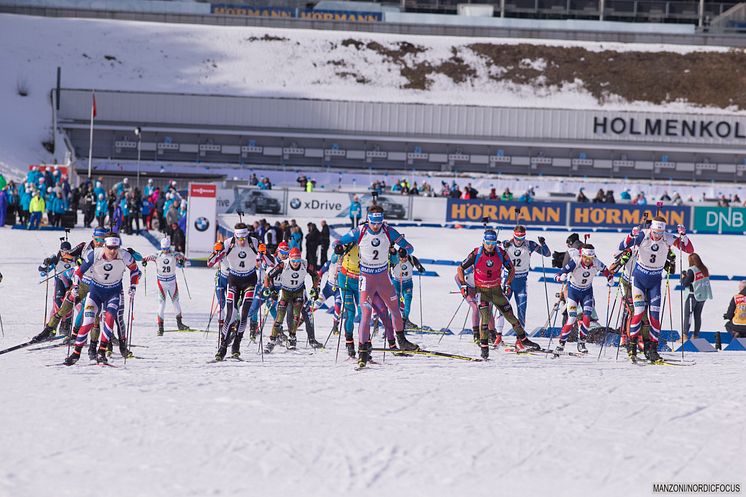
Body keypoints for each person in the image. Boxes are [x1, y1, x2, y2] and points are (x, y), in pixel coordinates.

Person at [336, 205, 419, 368]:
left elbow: (410, 247)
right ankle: (362, 351)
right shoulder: (359, 231)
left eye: (379, 222)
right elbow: (338, 241)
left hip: (383, 278)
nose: (376, 226)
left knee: (395, 309)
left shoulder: (389, 231)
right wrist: (338, 247)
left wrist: (404, 251)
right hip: (366, 279)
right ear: (368, 220)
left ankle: (401, 340)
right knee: (365, 315)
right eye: (373, 223)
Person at [618, 216, 693, 363]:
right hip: (639, 279)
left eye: (660, 233)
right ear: (651, 229)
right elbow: (622, 246)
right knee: (638, 312)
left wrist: (683, 236)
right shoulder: (643, 235)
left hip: (654, 281)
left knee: (654, 317)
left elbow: (689, 249)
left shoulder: (667, 238)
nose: (657, 236)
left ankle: (651, 349)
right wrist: (631, 236)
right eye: (655, 232)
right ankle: (631, 345)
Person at [457, 229, 540, 359]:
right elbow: (460, 268)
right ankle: (484, 347)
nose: (490, 245)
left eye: (493, 242)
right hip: (482, 291)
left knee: (510, 315)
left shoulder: (501, 253)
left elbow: (511, 269)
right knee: (485, 318)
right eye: (488, 242)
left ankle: (523, 339)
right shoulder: (476, 253)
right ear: (484, 241)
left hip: (496, 290)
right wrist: (463, 285)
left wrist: (507, 283)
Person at [64, 233, 140, 365]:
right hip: (95, 293)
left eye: (115, 247)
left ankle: (102, 352)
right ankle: (76, 354)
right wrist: (75, 286)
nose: (112, 251)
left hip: (113, 293)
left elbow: (135, 271)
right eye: (110, 247)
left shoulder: (124, 255)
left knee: (110, 319)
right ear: (105, 245)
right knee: (88, 322)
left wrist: (133, 285)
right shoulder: (95, 254)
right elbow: (79, 271)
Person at [207, 223, 261, 361]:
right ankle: (222, 348)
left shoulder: (254, 242)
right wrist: (217, 251)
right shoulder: (227, 243)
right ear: (235, 236)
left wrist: (265, 252)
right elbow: (210, 263)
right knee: (231, 315)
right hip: (234, 281)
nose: (242, 241)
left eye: (244, 238)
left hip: (250, 280)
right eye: (239, 238)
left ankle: (236, 345)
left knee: (244, 314)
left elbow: (270, 262)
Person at [553, 244, 613, 354]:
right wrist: (560, 277)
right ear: (582, 255)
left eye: (590, 258)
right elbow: (559, 273)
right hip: (573, 292)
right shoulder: (576, 261)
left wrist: (609, 278)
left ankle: (581, 342)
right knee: (571, 318)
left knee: (587, 317)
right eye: (585, 257)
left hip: (587, 292)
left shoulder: (596, 262)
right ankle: (561, 344)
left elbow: (606, 270)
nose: (587, 260)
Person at [496, 226, 551, 344]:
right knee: (502, 309)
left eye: (522, 238)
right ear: (513, 235)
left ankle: (519, 340)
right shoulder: (506, 244)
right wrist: (498, 245)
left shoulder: (530, 244)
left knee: (522, 311)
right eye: (517, 238)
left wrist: (543, 244)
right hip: (508, 281)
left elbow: (547, 254)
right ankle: (498, 336)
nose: (519, 241)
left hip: (521, 282)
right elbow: (493, 251)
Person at [263, 247, 321, 352]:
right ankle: (272, 340)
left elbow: (316, 276)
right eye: (293, 260)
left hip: (298, 291)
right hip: (285, 292)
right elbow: (268, 276)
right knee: (279, 317)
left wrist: (315, 289)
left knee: (296, 316)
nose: (295, 263)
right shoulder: (283, 265)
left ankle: (292, 338)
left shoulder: (304, 264)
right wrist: (270, 289)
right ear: (290, 259)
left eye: (297, 260)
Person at [142, 238, 189, 335]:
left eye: (167, 248)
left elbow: (184, 258)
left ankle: (180, 324)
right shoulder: (157, 255)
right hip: (162, 283)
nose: (166, 251)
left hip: (172, 282)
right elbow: (145, 258)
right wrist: (144, 261)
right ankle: (160, 327)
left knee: (176, 302)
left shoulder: (174, 254)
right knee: (161, 304)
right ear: (161, 247)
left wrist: (182, 261)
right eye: (164, 248)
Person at [390, 248, 425, 329]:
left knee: (407, 306)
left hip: (408, 284)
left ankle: (404, 322)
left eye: (404, 257)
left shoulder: (411, 259)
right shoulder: (395, 259)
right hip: (396, 284)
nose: (403, 259)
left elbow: (420, 267)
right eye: (401, 258)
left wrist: (420, 269)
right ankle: (392, 325)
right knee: (395, 305)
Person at [681, 253, 712, 339]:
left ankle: (685, 335)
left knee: (688, 315)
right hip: (703, 296)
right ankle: (696, 335)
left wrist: (683, 277)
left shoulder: (692, 270)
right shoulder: (704, 269)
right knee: (697, 316)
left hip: (692, 295)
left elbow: (685, 283)